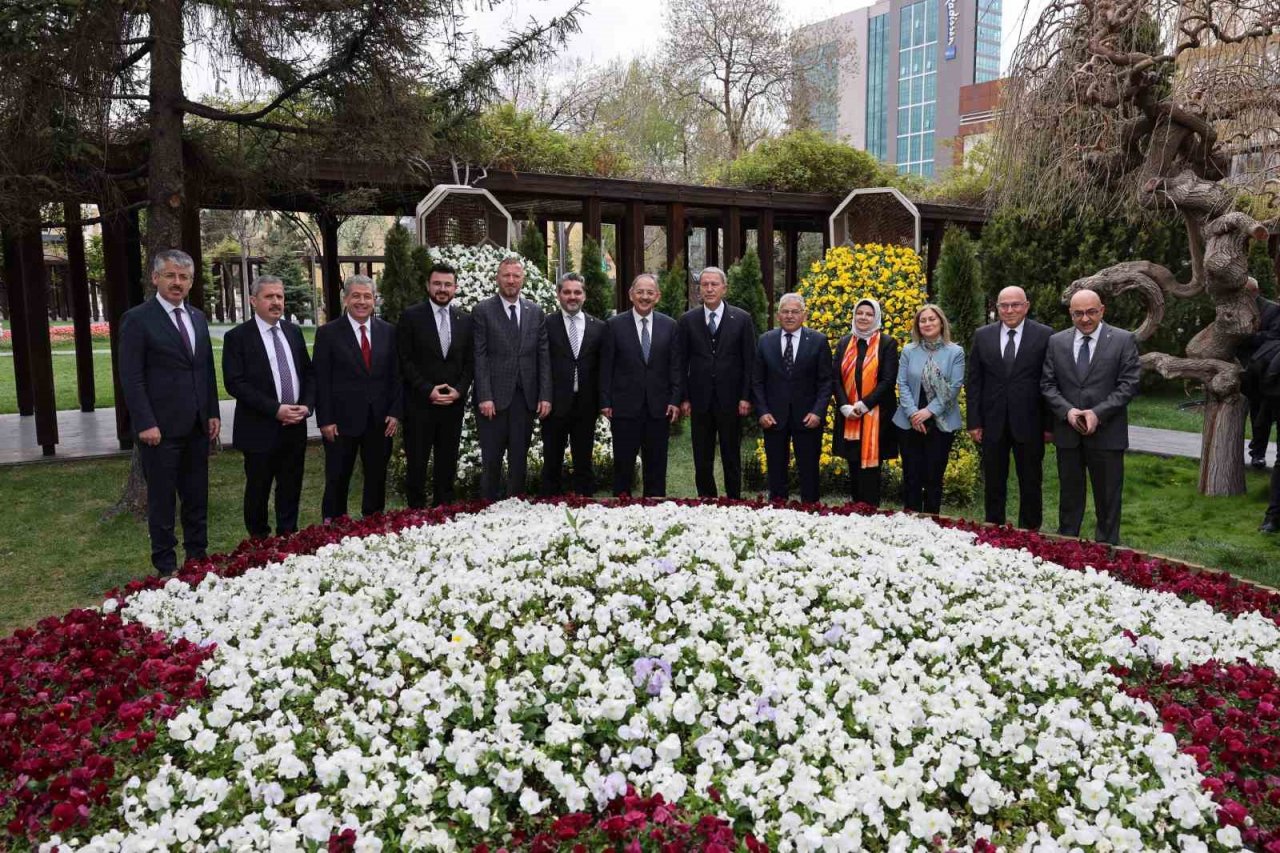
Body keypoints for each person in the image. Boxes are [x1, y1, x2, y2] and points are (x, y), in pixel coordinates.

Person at [118, 249, 220, 576]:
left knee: (196, 498)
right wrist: (145, 422)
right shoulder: (137, 319)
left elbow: (204, 370)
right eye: (171, 275)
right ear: (156, 278)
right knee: (162, 501)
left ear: (190, 282)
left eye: (184, 277)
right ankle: (165, 566)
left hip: (196, 426)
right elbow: (131, 378)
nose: (177, 282)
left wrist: (213, 412)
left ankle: (197, 559)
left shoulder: (197, 318)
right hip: (159, 430)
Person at [1041, 288, 1141, 545]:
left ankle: (1106, 550)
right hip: (1068, 434)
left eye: (1091, 312)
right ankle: (1067, 547)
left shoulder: (1122, 339)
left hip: (1107, 434)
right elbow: (1047, 385)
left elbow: (1128, 384)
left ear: (1102, 310)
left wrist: (1098, 413)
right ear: (1070, 313)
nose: (1085, 319)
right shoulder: (1057, 341)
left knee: (1108, 498)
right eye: (1078, 313)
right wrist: (1068, 411)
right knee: (1069, 497)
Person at [222, 274, 314, 539]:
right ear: (253, 301)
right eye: (269, 296)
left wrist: (306, 406)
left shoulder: (293, 332)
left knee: (291, 485)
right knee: (258, 489)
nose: (276, 302)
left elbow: (308, 374)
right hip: (259, 428)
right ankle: (259, 540)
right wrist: (275, 409)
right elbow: (235, 383)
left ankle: (288, 534)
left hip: (294, 425)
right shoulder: (237, 337)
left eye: (280, 296)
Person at [313, 275, 402, 520]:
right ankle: (333, 524)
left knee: (376, 475)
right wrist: (325, 420)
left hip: (380, 420)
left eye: (367, 296)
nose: (362, 301)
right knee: (338, 476)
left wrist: (395, 412)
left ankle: (372, 522)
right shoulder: (328, 333)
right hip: (341, 422)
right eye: (356, 296)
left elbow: (397, 375)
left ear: (375, 300)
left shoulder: (389, 332)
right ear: (346, 299)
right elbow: (320, 380)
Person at [966, 286, 1054, 529]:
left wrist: (1049, 425)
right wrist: (974, 421)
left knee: (1031, 481)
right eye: (1004, 305)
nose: (1009, 310)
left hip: (1030, 422)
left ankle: (1030, 532)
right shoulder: (982, 335)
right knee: (994, 480)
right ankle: (993, 528)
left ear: (1026, 306)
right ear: (997, 307)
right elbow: (974, 381)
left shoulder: (1045, 335)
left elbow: (1051, 382)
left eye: (1015, 305)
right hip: (992, 422)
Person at [472, 256, 552, 500]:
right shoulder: (483, 310)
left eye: (516, 276)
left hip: (524, 398)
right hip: (493, 400)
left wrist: (545, 395)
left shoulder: (535, 311)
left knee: (519, 458)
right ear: (498, 278)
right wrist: (484, 396)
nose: (511, 280)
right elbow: (480, 356)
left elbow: (543, 356)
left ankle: (515, 507)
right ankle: (489, 506)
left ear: (522, 280)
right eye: (506, 275)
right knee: (492, 459)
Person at [398, 262, 473, 507]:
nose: (442, 289)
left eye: (447, 284)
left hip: (452, 405)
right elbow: (404, 360)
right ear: (428, 285)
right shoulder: (411, 316)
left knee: (447, 463)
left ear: (455, 287)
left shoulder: (464, 319)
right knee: (417, 464)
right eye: (437, 283)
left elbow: (470, 362)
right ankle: (415, 514)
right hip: (420, 405)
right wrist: (427, 389)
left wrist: (459, 390)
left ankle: (444, 510)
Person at [600, 273, 683, 497]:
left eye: (649, 292)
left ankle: (655, 508)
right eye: (640, 292)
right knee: (624, 464)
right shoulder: (614, 325)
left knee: (656, 465)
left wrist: (675, 400)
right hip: (624, 407)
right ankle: (622, 508)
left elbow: (676, 367)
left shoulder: (670, 326)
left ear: (657, 296)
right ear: (630, 295)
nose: (644, 297)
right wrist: (605, 401)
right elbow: (606, 366)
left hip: (659, 408)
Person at [677, 266, 756, 499]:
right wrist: (684, 397)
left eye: (714, 284)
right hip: (699, 400)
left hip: (731, 400)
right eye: (704, 284)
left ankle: (733, 499)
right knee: (702, 456)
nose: (709, 289)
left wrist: (746, 396)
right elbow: (680, 363)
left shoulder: (742, 319)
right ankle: (707, 499)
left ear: (724, 288)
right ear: (699, 289)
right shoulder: (687, 320)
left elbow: (749, 361)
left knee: (731, 454)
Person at [751, 293, 833, 503]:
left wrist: (817, 412)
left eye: (795, 312)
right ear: (778, 315)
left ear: (804, 315)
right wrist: (762, 411)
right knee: (776, 469)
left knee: (809, 469)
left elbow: (826, 382)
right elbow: (757, 381)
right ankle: (778, 509)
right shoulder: (765, 340)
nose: (789, 316)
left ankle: (811, 509)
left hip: (807, 417)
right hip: (773, 417)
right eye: (785, 312)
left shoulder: (818, 341)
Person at [893, 304, 965, 515]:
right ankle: (910, 520)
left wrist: (928, 412)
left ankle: (932, 521)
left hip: (941, 422)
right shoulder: (909, 350)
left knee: (934, 477)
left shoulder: (955, 352)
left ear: (941, 322)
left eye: (932, 319)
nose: (927, 323)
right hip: (908, 422)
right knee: (911, 476)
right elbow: (902, 383)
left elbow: (954, 386)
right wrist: (914, 414)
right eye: (922, 320)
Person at [541, 272, 605, 496]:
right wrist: (543, 396)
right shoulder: (546, 324)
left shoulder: (599, 327)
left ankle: (584, 502)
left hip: (586, 405)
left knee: (584, 460)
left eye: (577, 292)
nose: (572, 296)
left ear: (584, 296)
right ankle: (549, 504)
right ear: (559, 295)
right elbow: (541, 364)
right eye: (567, 292)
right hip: (554, 405)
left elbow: (603, 367)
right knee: (551, 460)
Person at [833, 298, 899, 507]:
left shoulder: (887, 343)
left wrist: (863, 405)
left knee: (871, 468)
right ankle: (856, 510)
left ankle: (871, 511)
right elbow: (834, 378)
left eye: (869, 314)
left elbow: (888, 380)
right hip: (849, 415)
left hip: (876, 416)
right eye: (860, 313)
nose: (863, 317)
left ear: (876, 317)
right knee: (853, 463)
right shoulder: (844, 342)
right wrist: (844, 405)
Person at [1241, 277, 1279, 470]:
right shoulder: (1235, 309)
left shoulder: (1272, 310)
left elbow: (1274, 337)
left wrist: (1249, 336)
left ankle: (1258, 455)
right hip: (1245, 371)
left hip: (1265, 370)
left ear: (1255, 291)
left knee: (1262, 416)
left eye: (1246, 292)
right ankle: (1256, 453)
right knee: (1255, 413)